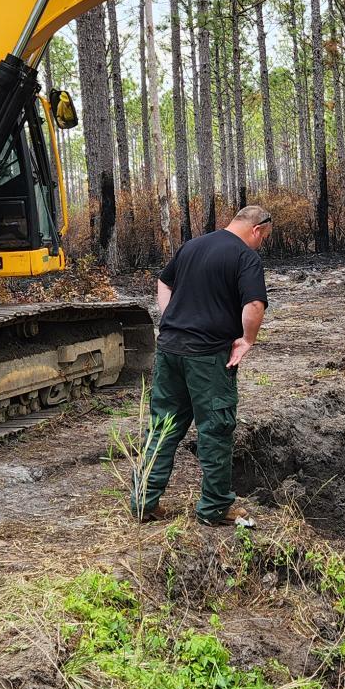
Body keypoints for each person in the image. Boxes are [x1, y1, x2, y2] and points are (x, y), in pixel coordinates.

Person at [135, 204, 272, 527]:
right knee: (215, 428)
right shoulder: (245, 256)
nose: (261, 244)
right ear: (256, 230)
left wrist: (169, 319)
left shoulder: (192, 246)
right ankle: (214, 507)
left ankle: (143, 501)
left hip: (170, 351)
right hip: (208, 356)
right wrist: (246, 340)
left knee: (163, 425)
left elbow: (164, 283)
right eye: (263, 238)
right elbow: (254, 304)